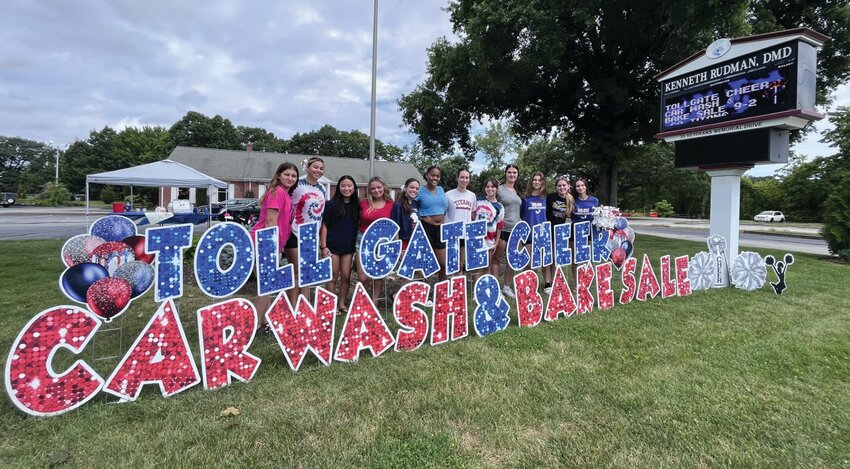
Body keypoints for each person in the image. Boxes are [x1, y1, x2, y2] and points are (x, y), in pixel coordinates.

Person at [252, 162, 298, 331]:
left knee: (267, 285)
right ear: (278, 175)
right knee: (265, 287)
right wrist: (273, 247)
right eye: (287, 174)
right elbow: (271, 221)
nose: (290, 178)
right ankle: (256, 325)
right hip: (267, 243)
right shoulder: (276, 192)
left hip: (274, 244)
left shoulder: (284, 193)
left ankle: (263, 321)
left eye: (293, 176)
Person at [287, 157, 328, 303]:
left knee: (308, 274)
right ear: (308, 167)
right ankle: (292, 306)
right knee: (296, 273)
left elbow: (322, 215)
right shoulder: (297, 184)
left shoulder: (322, 188)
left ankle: (304, 306)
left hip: (312, 236)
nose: (318, 170)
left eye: (321, 168)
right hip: (295, 233)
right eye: (315, 167)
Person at [320, 175, 360, 314]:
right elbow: (324, 226)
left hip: (348, 248)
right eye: (343, 185)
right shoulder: (331, 204)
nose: (346, 188)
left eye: (349, 186)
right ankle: (331, 304)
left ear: (354, 188)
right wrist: (323, 246)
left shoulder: (357, 205)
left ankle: (342, 303)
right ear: (338, 187)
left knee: (346, 276)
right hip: (332, 246)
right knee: (332, 276)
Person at [357, 176, 394, 302]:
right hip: (363, 241)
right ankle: (361, 301)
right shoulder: (363, 203)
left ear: (384, 187)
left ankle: (374, 303)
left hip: (382, 243)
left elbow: (394, 226)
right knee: (363, 277)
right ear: (369, 190)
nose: (376, 190)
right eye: (373, 188)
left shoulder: (391, 205)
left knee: (378, 275)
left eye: (379, 187)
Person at [413, 166, 449, 281]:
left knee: (443, 264)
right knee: (425, 264)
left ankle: (442, 291)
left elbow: (444, 208)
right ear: (427, 175)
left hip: (440, 229)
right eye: (432, 175)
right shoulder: (420, 191)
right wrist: (418, 218)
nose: (435, 178)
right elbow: (412, 207)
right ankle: (421, 290)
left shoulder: (441, 190)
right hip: (425, 228)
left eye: (438, 176)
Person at [494, 164, 522, 299]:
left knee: (512, 260)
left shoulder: (518, 190)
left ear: (517, 174)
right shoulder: (498, 189)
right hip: (502, 229)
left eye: (514, 173)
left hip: (515, 229)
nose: (512, 175)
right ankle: (495, 287)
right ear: (505, 173)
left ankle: (507, 287)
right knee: (496, 258)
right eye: (509, 172)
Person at [543, 176, 575, 294]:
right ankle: (547, 283)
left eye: (564, 185)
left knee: (557, 259)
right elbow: (545, 213)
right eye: (559, 185)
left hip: (563, 233)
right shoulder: (550, 197)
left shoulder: (571, 199)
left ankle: (555, 280)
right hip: (550, 231)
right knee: (548, 258)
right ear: (556, 187)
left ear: (568, 187)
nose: (562, 187)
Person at [444, 168, 477, 272]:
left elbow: (472, 214)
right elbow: (444, 213)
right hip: (451, 233)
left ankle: (459, 286)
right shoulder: (448, 194)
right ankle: (450, 285)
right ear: (457, 178)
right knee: (450, 263)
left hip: (464, 234)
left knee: (461, 264)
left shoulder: (472, 195)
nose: (464, 180)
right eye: (462, 177)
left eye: (467, 178)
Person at [473, 177, 504, 279]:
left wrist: (496, 242)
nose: (490, 189)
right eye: (488, 186)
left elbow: (499, 226)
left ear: (496, 189)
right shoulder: (478, 200)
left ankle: (486, 289)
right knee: (476, 267)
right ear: (485, 188)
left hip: (489, 240)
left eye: (493, 187)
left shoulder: (499, 207)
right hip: (476, 239)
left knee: (487, 266)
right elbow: (472, 216)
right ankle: (476, 293)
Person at [521, 171, 547, 282]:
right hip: (529, 234)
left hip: (542, 234)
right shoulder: (525, 198)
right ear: (531, 181)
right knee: (528, 262)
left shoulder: (546, 198)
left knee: (540, 262)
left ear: (542, 182)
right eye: (534, 180)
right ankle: (526, 284)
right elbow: (521, 215)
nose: (536, 182)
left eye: (539, 180)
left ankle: (538, 284)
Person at [571, 177, 599, 281]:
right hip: (576, 232)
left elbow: (597, 217)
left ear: (586, 187)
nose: (580, 187)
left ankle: (587, 281)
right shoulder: (572, 200)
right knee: (576, 259)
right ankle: (577, 282)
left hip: (590, 232)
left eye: (582, 185)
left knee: (588, 258)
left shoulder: (594, 200)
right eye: (578, 186)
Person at [391, 178, 420, 251]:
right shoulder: (398, 205)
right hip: (403, 242)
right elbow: (395, 227)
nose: (414, 190)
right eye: (412, 187)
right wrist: (397, 247)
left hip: (414, 241)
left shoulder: (416, 204)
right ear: (405, 188)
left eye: (417, 188)